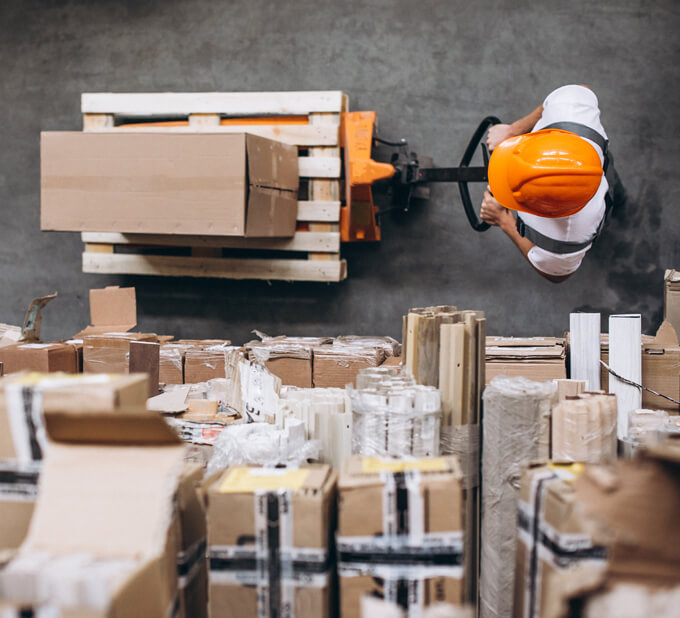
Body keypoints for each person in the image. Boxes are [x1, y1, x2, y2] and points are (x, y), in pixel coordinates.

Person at [480, 85, 614, 283]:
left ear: (545, 212)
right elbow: (578, 90)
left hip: (591, 214)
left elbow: (557, 275)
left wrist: (504, 221)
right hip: (592, 164)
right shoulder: (571, 110)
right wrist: (512, 130)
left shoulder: (565, 236)